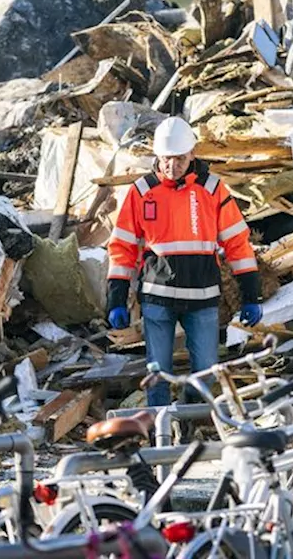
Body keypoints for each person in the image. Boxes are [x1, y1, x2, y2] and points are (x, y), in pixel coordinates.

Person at [106, 116, 263, 406]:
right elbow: (122, 247)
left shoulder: (212, 189)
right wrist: (116, 298)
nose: (171, 166)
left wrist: (251, 295)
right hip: (157, 297)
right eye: (166, 159)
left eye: (179, 159)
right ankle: (160, 438)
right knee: (157, 375)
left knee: (206, 374)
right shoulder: (141, 192)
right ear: (157, 156)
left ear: (192, 154)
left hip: (202, 297)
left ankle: (187, 422)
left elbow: (237, 244)